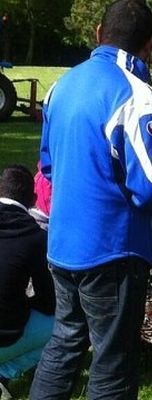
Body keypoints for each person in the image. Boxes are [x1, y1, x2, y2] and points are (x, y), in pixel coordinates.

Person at [29, 1, 152, 399]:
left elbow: (48, 166)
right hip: (112, 252)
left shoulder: (61, 86)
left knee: (65, 344)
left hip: (63, 245)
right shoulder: (136, 95)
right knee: (113, 361)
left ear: (98, 32)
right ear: (150, 46)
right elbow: (151, 187)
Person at [0, 166, 55, 400]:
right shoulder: (35, 236)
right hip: (6, 333)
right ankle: (4, 373)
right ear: (33, 200)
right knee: (67, 326)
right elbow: (48, 300)